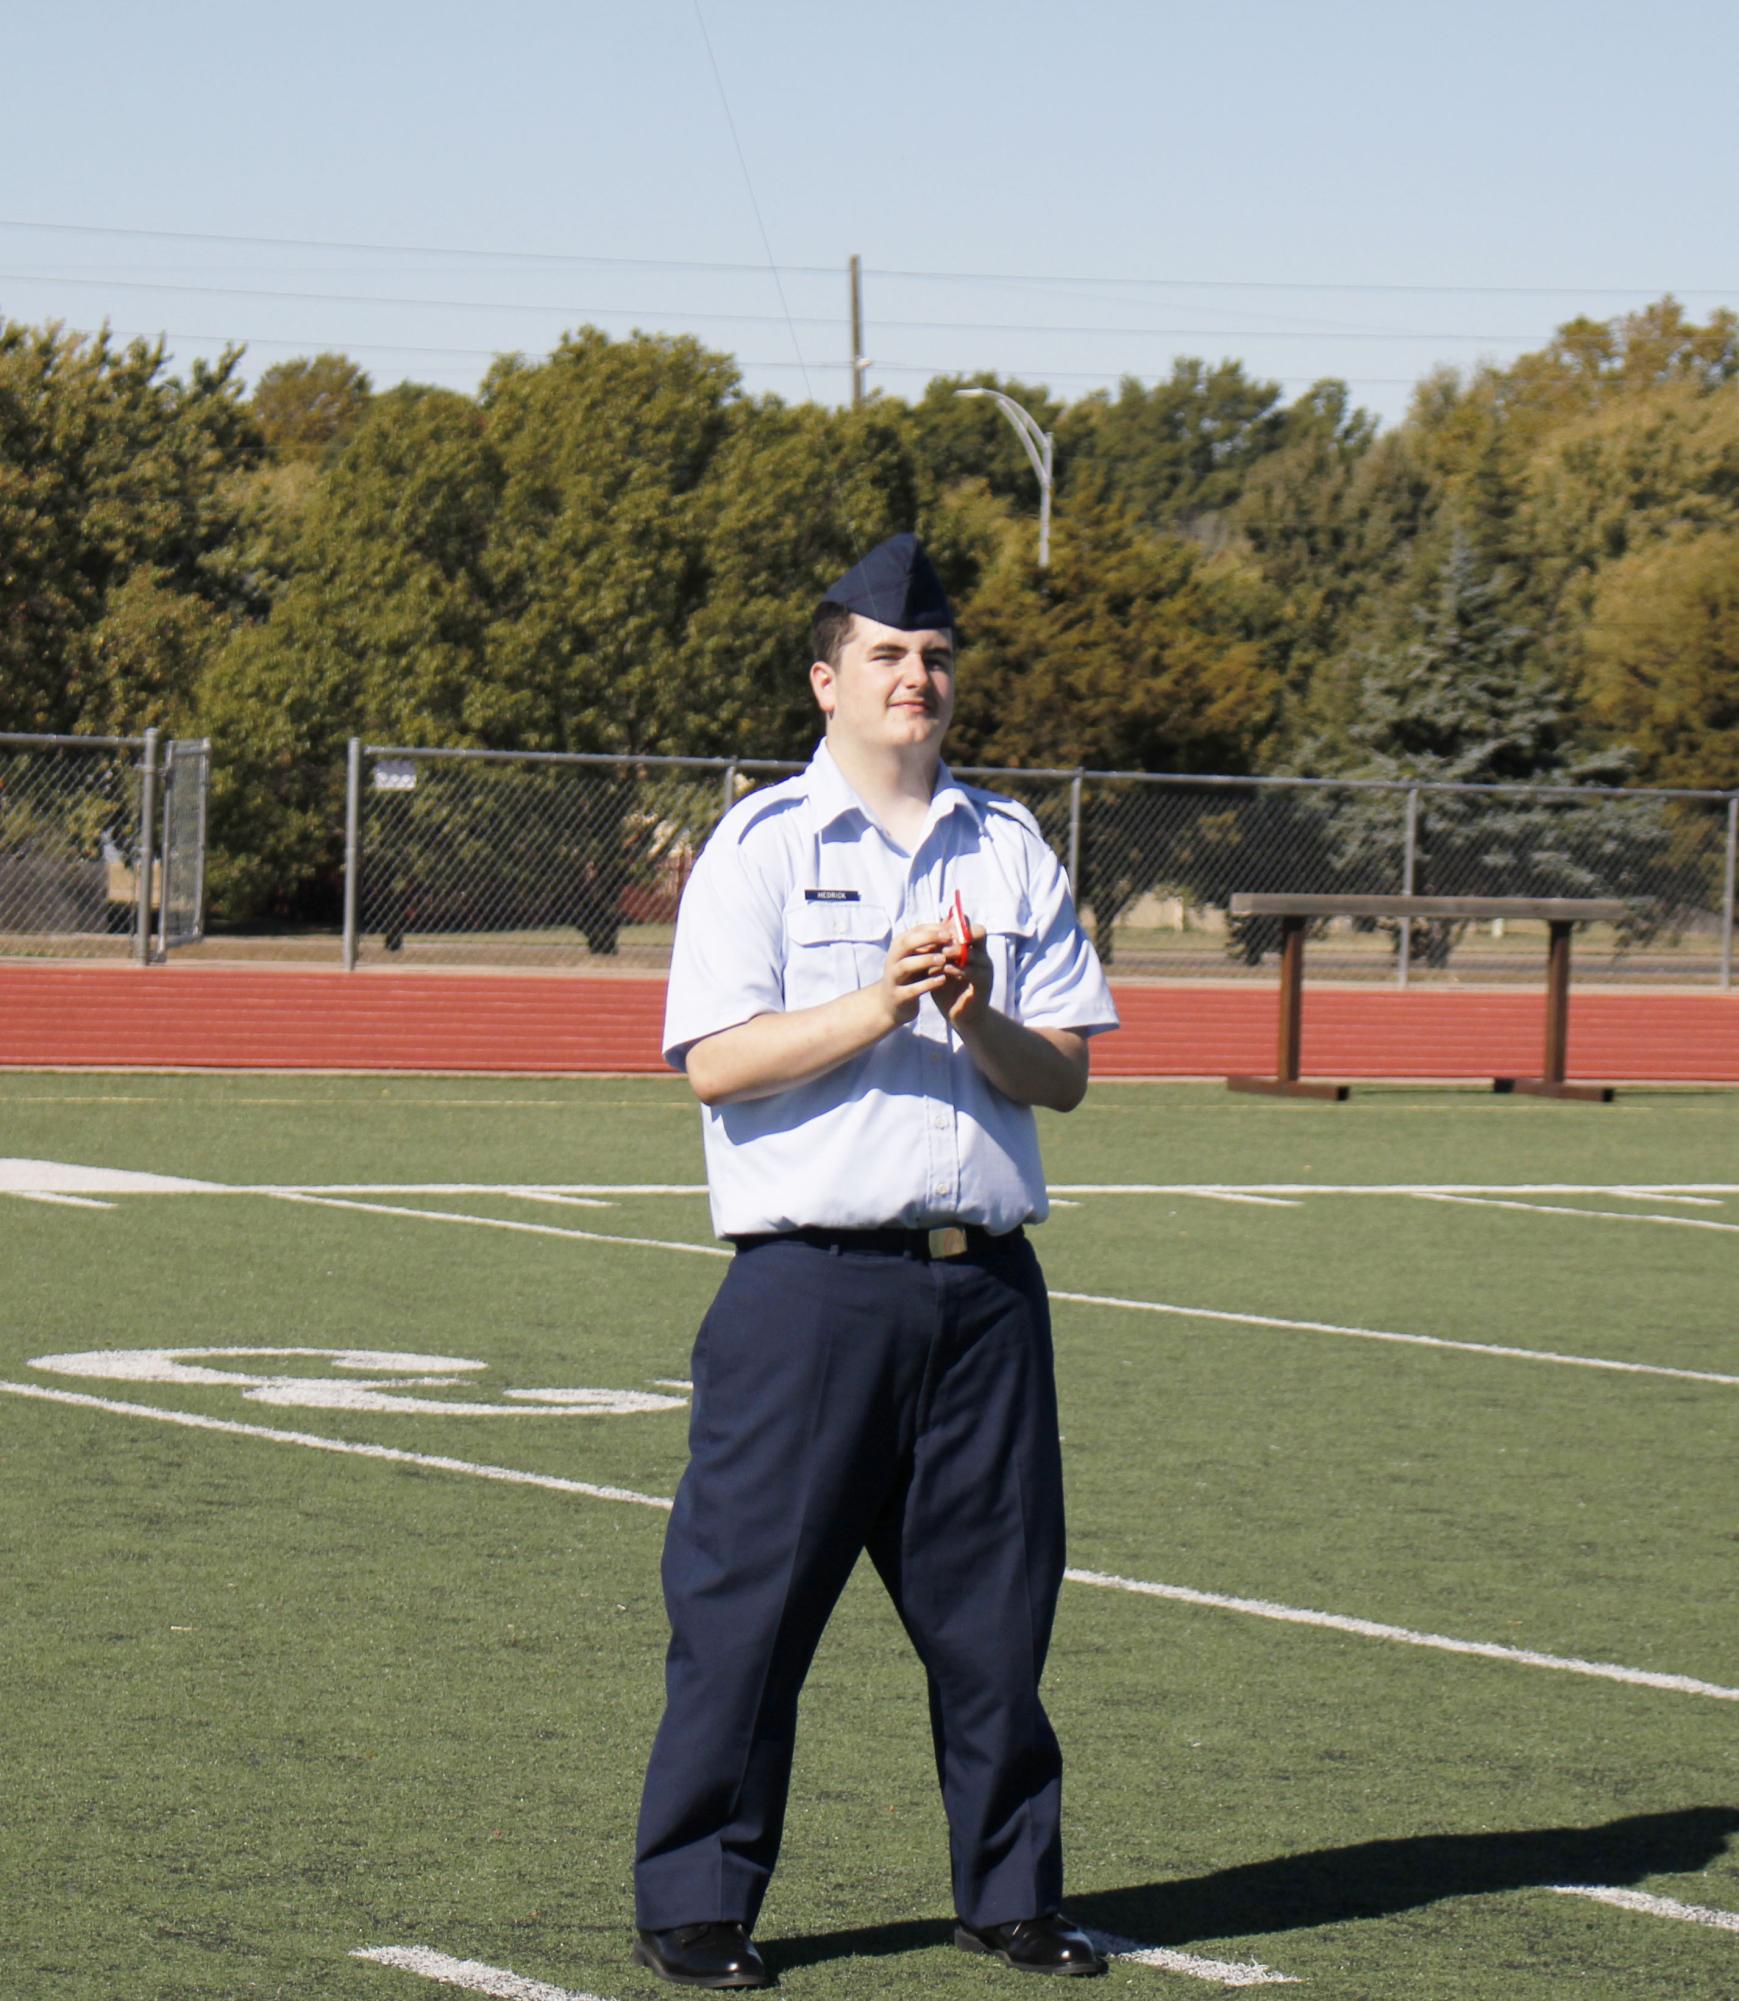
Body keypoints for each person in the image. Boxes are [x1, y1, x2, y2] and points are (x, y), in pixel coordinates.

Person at [632, 534, 1120, 1989]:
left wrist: (972, 1012)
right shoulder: (766, 844)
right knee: (748, 1612)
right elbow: (718, 1062)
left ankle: (1012, 1891)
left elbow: (1067, 1076)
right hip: (811, 1291)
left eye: (939, 655)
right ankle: (698, 1903)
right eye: (892, 655)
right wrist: (878, 998)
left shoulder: (1010, 844)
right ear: (827, 677)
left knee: (998, 1616)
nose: (922, 677)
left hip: (983, 1293)